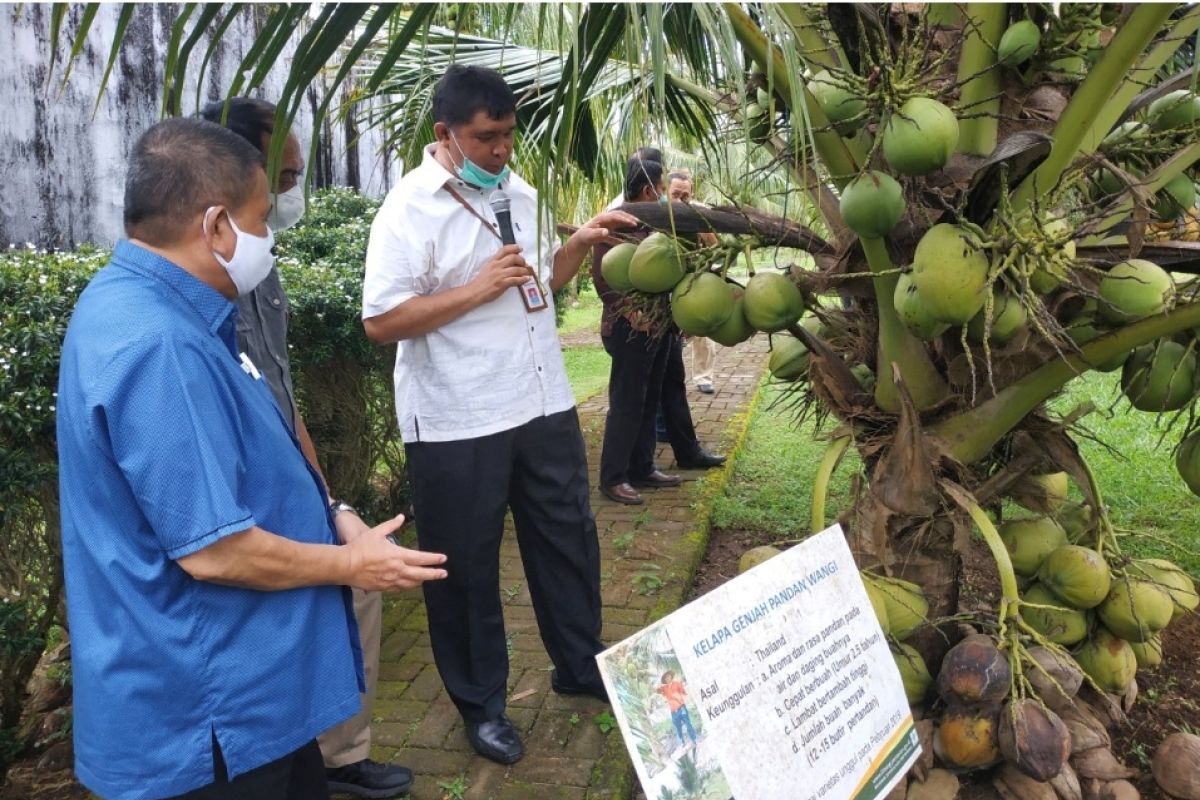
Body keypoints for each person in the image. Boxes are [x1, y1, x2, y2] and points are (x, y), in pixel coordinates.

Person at [56, 117, 448, 800]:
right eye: (260, 218)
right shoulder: (158, 347)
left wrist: (335, 512)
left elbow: (255, 442)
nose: (269, 237)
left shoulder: (162, 306)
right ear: (215, 226)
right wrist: (355, 565)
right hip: (210, 713)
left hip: (253, 697)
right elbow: (215, 552)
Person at [361, 65, 636, 766]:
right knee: (466, 568)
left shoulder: (520, 192)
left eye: (509, 135)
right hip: (457, 420)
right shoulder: (407, 209)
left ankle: (579, 663)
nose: (502, 150)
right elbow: (382, 321)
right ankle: (482, 706)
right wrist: (478, 289)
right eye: (487, 138)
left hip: (540, 402)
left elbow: (541, 279)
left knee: (568, 538)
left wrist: (577, 247)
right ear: (445, 135)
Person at [200, 97, 413, 800]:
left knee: (357, 588)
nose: (294, 195)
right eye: (284, 179)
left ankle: (338, 755)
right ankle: (307, 754)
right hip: (241, 520)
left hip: (293, 493)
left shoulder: (260, 271)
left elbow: (283, 405)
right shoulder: (185, 307)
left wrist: (329, 503)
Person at [593, 153, 725, 506]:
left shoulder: (656, 220)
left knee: (651, 398)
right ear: (649, 189)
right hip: (631, 329)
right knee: (627, 401)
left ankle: (642, 467)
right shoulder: (619, 220)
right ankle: (613, 477)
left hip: (661, 325)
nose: (666, 193)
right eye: (662, 187)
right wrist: (631, 312)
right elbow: (604, 275)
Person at [666, 171, 717, 395]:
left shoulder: (699, 212)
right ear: (664, 192)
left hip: (694, 276)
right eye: (675, 194)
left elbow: (715, 245)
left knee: (702, 328)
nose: (680, 200)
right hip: (665, 278)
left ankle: (704, 376)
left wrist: (703, 230)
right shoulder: (656, 212)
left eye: (685, 195)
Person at [655, 671, 699, 750]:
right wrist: (659, 686)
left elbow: (684, 692)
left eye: (668, 676)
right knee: (678, 728)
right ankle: (682, 742)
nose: (667, 678)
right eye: (665, 678)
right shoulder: (664, 688)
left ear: (671, 676)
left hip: (681, 708)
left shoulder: (677, 683)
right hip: (673, 712)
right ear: (665, 680)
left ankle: (694, 739)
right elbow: (658, 691)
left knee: (688, 725)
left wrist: (681, 695)